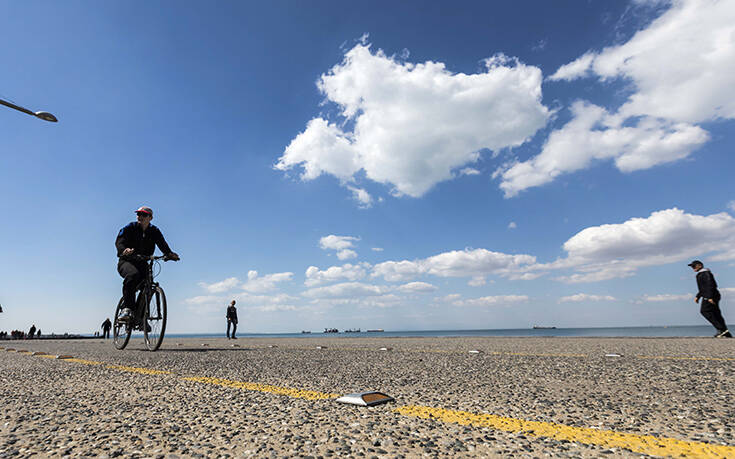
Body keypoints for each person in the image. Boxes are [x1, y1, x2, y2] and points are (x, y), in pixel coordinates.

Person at [116, 206, 179, 324]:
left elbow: (162, 244)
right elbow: (120, 241)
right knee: (133, 275)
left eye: (144, 215)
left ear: (151, 218)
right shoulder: (130, 227)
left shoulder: (154, 231)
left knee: (148, 287)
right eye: (139, 214)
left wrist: (169, 254)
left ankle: (140, 318)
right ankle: (127, 309)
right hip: (126, 261)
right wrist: (124, 250)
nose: (140, 217)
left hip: (143, 263)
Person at [689, 260, 732, 338]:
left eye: (694, 266)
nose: (693, 268)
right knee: (716, 313)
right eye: (692, 267)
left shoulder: (705, 273)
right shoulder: (701, 274)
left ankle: (721, 329)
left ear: (700, 265)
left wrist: (710, 297)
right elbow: (703, 287)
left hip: (710, 296)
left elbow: (711, 285)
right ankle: (725, 332)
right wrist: (698, 296)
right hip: (711, 295)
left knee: (705, 311)